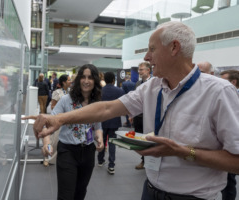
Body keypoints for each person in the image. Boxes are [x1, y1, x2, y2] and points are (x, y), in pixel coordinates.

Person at [26, 21, 239, 200]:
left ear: (174, 48)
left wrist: (182, 152)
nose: (146, 57)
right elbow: (107, 108)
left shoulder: (219, 92)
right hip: (150, 191)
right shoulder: (153, 87)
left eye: (152, 49)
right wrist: (60, 119)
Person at [25, 64, 104, 200]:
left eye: (90, 77)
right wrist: (47, 144)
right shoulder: (66, 100)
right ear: (78, 79)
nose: (86, 81)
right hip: (68, 152)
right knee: (66, 195)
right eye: (83, 77)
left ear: (95, 81)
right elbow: (49, 123)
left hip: (88, 152)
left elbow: (97, 126)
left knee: (80, 192)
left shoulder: (96, 102)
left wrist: (100, 138)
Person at [97, 71, 124, 175]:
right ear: (113, 80)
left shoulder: (100, 91)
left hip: (102, 119)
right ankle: (111, 165)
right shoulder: (119, 91)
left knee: (101, 140)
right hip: (114, 119)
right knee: (112, 142)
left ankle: (100, 160)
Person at [220, 69, 239, 200]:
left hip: (232, 146)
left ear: (233, 82)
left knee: (229, 180)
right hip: (221, 143)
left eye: (223, 80)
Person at [132, 61, 152, 170]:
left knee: (148, 139)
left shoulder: (154, 83)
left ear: (148, 70)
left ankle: (147, 161)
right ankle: (144, 160)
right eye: (139, 70)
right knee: (140, 139)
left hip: (149, 117)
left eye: (141, 70)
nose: (139, 72)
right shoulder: (137, 84)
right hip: (138, 116)